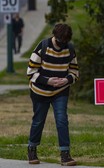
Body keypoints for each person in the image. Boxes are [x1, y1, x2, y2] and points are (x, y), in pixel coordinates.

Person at [26, 23, 79, 166]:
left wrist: (66, 80)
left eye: (65, 43)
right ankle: (32, 149)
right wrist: (48, 81)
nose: (62, 46)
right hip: (40, 91)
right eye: (60, 42)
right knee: (38, 120)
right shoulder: (43, 47)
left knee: (62, 120)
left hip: (60, 91)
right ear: (55, 36)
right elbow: (30, 73)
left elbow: (74, 73)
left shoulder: (70, 49)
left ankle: (65, 154)